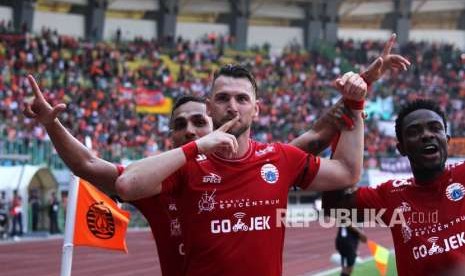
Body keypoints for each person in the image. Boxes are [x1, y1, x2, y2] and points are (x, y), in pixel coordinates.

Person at [23, 83, 349, 276]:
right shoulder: (155, 183)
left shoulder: (258, 165)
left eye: (198, 122)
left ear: (220, 123)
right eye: (180, 125)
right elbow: (89, 165)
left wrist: (356, 92)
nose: (189, 130)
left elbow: (316, 135)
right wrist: (51, 125)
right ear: (172, 137)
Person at [114, 63, 368, 276]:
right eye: (223, 98)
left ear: (256, 109)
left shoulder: (280, 158)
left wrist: (355, 105)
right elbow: (126, 185)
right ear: (209, 107)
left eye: (242, 98)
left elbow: (347, 171)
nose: (233, 106)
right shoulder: (186, 163)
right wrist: (197, 147)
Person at [322, 99, 465, 276]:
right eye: (414, 132)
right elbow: (332, 205)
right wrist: (346, 131)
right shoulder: (391, 194)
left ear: (447, 140)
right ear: (401, 148)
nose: (427, 135)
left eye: (435, 128)